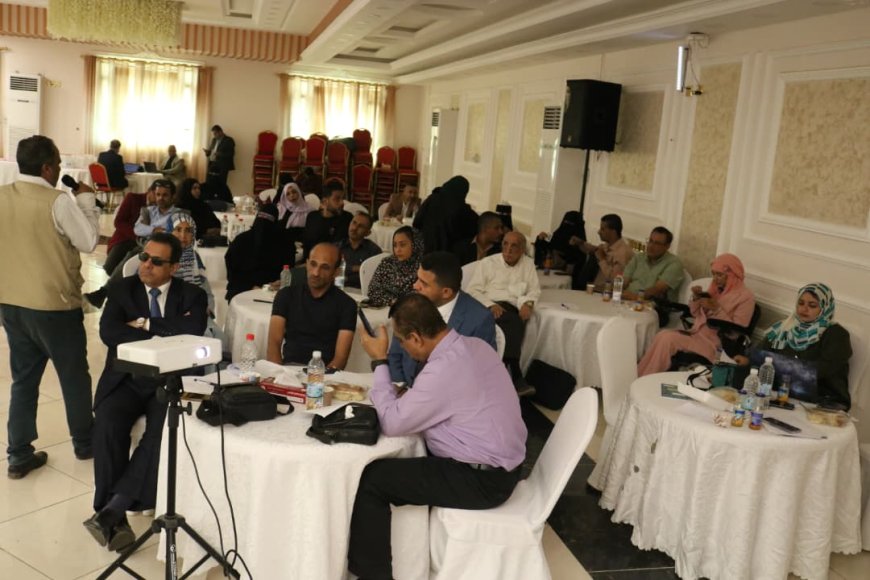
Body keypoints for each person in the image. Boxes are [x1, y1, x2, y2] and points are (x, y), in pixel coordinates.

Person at [348, 293, 527, 580]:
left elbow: (392, 423)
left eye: (402, 341)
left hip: (483, 480)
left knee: (372, 480)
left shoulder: (444, 368)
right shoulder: (475, 346)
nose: (402, 348)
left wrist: (380, 360)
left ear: (416, 338)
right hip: (507, 464)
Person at [83, 233, 208, 551]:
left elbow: (193, 330)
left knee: (162, 432)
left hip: (170, 380)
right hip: (126, 378)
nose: (146, 265)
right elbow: (110, 332)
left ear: (174, 268)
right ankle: (112, 516)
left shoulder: (192, 295)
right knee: (108, 423)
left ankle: (113, 510)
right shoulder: (121, 289)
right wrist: (167, 331)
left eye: (156, 261)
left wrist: (144, 324)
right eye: (144, 257)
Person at [0, 135, 99, 478]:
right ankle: (85, 443)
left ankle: (18, 454)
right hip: (54, 307)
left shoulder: (2, 195)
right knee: (73, 377)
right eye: (57, 164)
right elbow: (88, 241)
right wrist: (86, 201)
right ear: (46, 168)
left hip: (12, 303)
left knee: (24, 380)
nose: (59, 170)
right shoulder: (57, 201)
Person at [388, 251, 496, 386]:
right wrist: (401, 387)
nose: (415, 286)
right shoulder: (410, 304)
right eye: (417, 278)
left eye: (424, 283)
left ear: (446, 292)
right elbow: (395, 355)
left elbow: (479, 374)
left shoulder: (479, 320)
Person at [637, 253, 755, 376]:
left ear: (732, 275)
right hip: (696, 334)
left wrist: (717, 310)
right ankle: (641, 374)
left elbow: (737, 331)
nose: (715, 279)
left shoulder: (746, 297)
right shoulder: (716, 289)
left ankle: (647, 376)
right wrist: (696, 299)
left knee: (667, 339)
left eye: (719, 275)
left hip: (715, 345)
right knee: (662, 335)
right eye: (713, 274)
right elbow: (695, 313)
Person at [747, 283, 852, 409]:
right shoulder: (784, 327)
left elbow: (823, 370)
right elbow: (760, 353)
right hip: (781, 394)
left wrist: (784, 367)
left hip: (823, 400)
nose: (804, 309)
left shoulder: (836, 334)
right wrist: (747, 359)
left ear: (825, 308)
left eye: (812, 305)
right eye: (801, 303)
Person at [466, 231, 541, 395]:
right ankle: (515, 375)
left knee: (516, 321)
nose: (508, 249)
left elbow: (534, 290)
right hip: (488, 306)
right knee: (513, 323)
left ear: (522, 249)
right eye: (505, 244)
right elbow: (472, 290)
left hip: (513, 308)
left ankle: (500, 377)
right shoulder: (488, 263)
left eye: (514, 246)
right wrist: (490, 305)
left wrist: (528, 303)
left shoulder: (527, 264)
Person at [267, 243, 357, 368]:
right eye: (313, 264)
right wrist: (278, 375)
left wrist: (319, 378)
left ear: (336, 272)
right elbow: (274, 345)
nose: (316, 272)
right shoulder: (286, 295)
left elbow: (340, 359)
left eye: (325, 267)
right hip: (288, 370)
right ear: (307, 263)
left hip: (325, 374)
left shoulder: (347, 305)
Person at [225, 205, 285, 302]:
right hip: (245, 291)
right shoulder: (281, 244)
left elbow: (285, 271)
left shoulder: (241, 240)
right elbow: (233, 273)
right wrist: (251, 287)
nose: (263, 227)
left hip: (269, 292)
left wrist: (278, 282)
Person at [413, 176, 478, 253]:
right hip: (447, 253)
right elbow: (474, 228)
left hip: (423, 248)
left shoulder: (432, 199)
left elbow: (417, 222)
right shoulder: (462, 209)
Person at [102, 182, 155, 276]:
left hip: (147, 243)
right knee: (110, 267)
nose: (160, 198)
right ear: (149, 191)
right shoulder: (133, 198)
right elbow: (118, 222)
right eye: (157, 194)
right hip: (126, 237)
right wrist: (136, 234)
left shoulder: (164, 207)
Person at [621, 226, 684, 303]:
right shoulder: (639, 258)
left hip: (652, 305)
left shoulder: (674, 263)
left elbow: (657, 290)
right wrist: (615, 289)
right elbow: (624, 281)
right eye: (650, 241)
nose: (651, 246)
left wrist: (636, 297)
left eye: (657, 243)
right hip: (627, 300)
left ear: (667, 246)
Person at [366, 226, 423, 307]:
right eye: (395, 245)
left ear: (415, 245)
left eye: (402, 245)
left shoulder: (423, 267)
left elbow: (420, 297)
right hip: (385, 308)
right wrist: (393, 301)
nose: (397, 250)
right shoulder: (388, 263)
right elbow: (372, 290)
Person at [577, 214, 636, 288]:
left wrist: (602, 259)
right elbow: (594, 249)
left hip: (606, 292)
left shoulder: (623, 253)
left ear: (613, 232)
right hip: (595, 287)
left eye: (603, 229)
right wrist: (580, 243)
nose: (599, 232)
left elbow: (616, 280)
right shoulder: (607, 246)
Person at [301, 180, 353, 260]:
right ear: (325, 201)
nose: (342, 203)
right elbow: (307, 245)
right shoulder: (312, 217)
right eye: (337, 199)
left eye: (343, 198)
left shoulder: (347, 218)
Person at [337, 211, 381, 289]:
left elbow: (372, 277)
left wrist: (347, 278)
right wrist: (355, 268)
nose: (354, 228)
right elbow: (333, 270)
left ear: (367, 233)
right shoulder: (337, 247)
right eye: (354, 223)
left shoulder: (374, 251)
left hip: (362, 292)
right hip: (338, 289)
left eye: (361, 226)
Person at [274, 181, 312, 267]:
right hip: (282, 244)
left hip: (301, 244)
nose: (292, 195)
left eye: (294, 192)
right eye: (288, 194)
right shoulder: (281, 209)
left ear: (299, 192)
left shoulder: (309, 209)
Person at [203, 124, 235, 202]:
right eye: (213, 134)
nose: (214, 135)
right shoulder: (214, 140)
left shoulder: (229, 140)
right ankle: (210, 199)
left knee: (221, 184)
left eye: (215, 133)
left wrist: (219, 154)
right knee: (209, 182)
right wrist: (207, 152)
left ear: (220, 132)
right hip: (212, 164)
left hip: (222, 166)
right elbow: (211, 151)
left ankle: (220, 201)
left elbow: (231, 154)